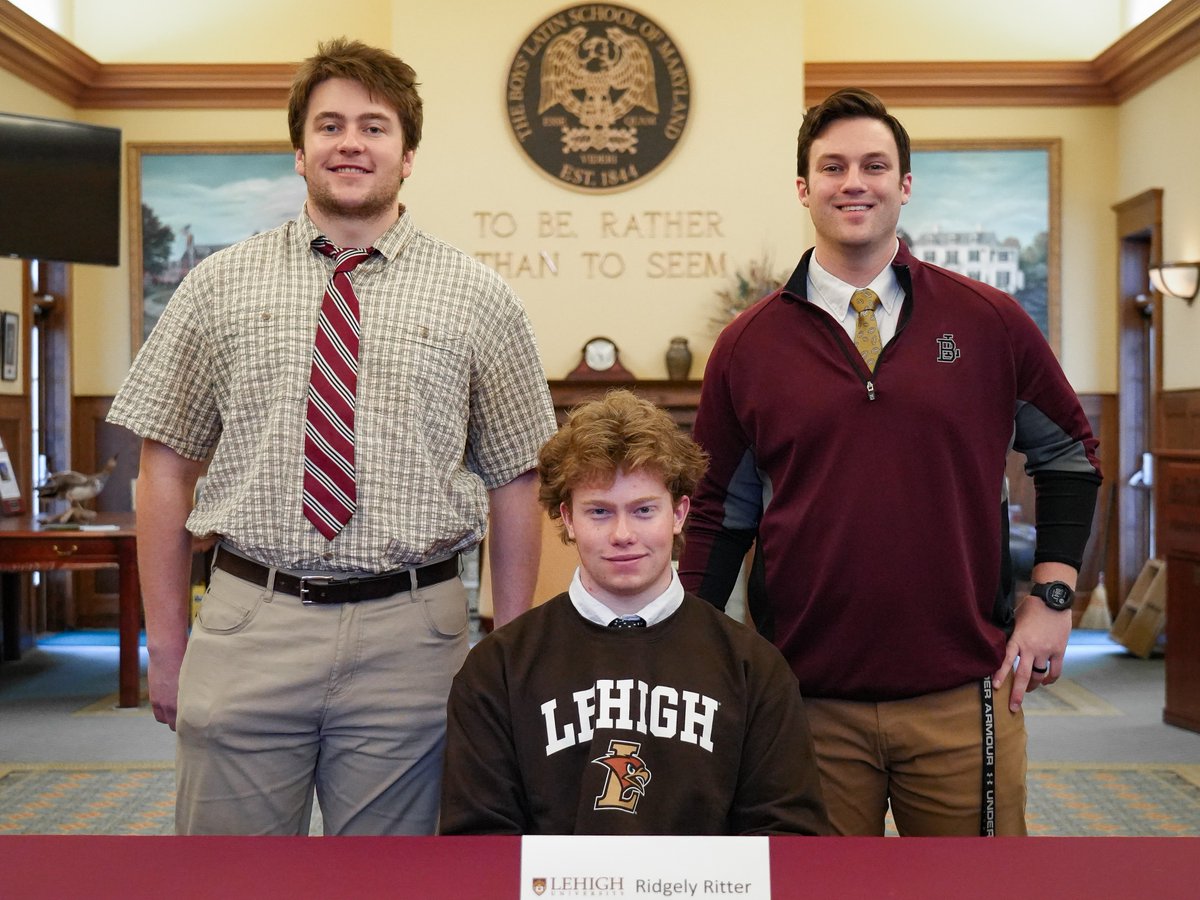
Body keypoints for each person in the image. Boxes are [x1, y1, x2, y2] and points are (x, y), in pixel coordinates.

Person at [107, 38, 557, 836]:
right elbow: (164, 466)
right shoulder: (217, 286)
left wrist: (508, 651)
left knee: (401, 886)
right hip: (250, 623)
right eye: (330, 125)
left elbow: (516, 478)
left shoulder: (479, 296)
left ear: (408, 154)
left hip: (416, 637)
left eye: (375, 126)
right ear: (299, 150)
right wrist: (166, 646)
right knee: (229, 887)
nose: (351, 142)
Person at [679, 88, 1102, 837]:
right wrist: (691, 647)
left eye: (875, 165)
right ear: (803, 188)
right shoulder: (749, 346)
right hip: (804, 702)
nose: (855, 182)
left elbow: (1068, 455)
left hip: (964, 697)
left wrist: (1053, 600)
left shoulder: (988, 321)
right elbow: (719, 511)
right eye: (833, 166)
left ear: (904, 185)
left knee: (978, 897)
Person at [439, 390, 829, 835]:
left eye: (644, 510)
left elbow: (785, 835)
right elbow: (479, 840)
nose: (623, 534)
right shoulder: (498, 668)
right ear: (567, 519)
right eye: (599, 512)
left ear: (679, 513)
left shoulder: (753, 667)